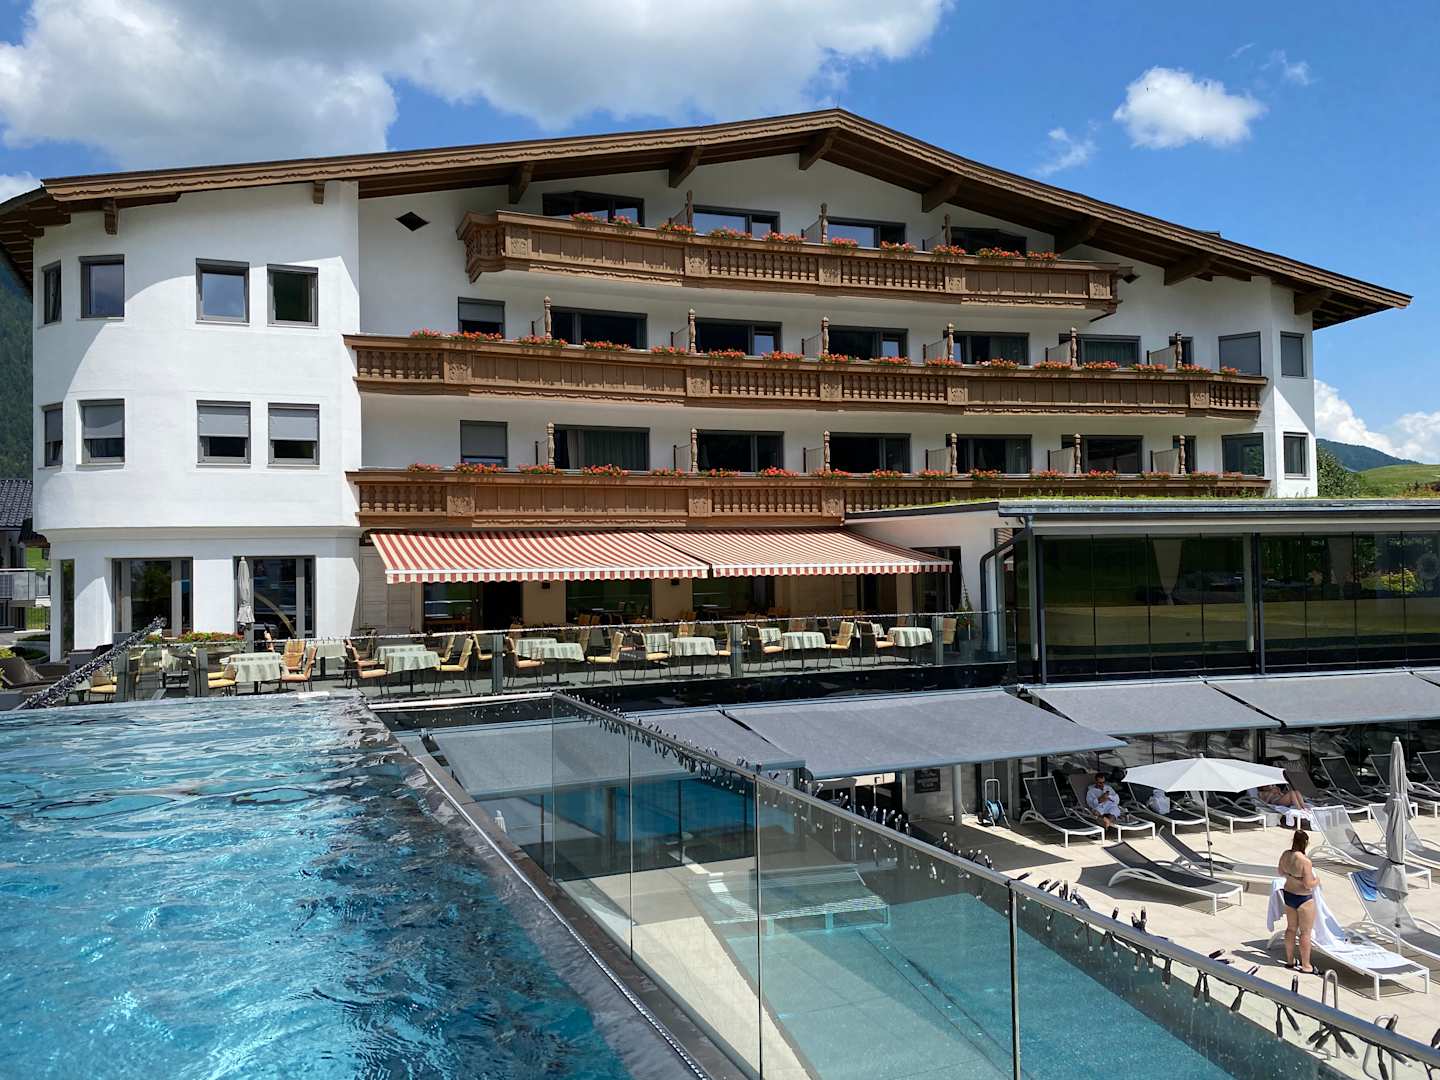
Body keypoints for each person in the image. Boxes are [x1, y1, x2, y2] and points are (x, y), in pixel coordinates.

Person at [1278, 830, 1319, 974]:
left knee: (1291, 928)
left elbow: (1280, 872)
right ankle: (1306, 965)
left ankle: (1290, 960)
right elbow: (1308, 884)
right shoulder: (1305, 861)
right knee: (1305, 933)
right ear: (1305, 843)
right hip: (1303, 898)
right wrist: (1317, 881)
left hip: (1289, 894)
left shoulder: (1285, 855)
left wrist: (1292, 876)